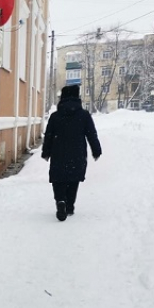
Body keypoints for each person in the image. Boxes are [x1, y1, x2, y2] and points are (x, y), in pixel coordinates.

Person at [41, 85, 102, 221]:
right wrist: (96, 150)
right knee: (73, 180)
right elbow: (92, 134)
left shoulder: (55, 116)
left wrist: (46, 152)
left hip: (59, 154)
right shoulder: (84, 115)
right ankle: (69, 206)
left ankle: (60, 201)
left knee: (59, 179)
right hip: (77, 154)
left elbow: (49, 135)